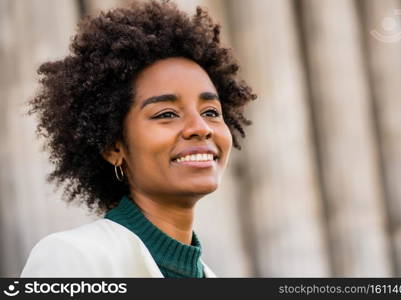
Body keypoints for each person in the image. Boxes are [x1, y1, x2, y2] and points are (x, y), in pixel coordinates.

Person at [21, 0, 256, 278]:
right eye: (167, 113)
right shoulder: (71, 259)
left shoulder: (206, 276)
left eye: (211, 111)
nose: (201, 127)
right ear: (114, 146)